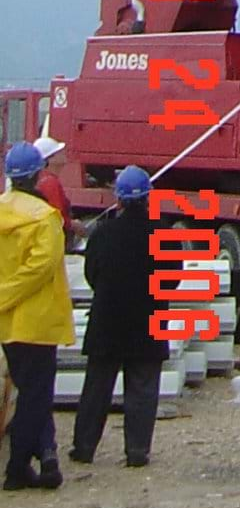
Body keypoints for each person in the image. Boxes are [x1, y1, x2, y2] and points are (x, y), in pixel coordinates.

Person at [69, 168, 164, 473]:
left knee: (97, 387)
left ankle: (84, 449)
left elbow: (92, 274)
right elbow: (171, 279)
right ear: (148, 198)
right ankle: (137, 450)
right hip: (148, 320)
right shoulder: (161, 235)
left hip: (107, 320)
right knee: (143, 388)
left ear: (119, 199)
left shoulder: (103, 234)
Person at [0, 139, 74, 493]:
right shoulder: (45, 219)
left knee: (24, 392)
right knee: (36, 398)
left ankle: (28, 464)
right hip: (39, 321)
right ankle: (17, 469)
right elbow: (39, 270)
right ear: (37, 174)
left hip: (8, 324)